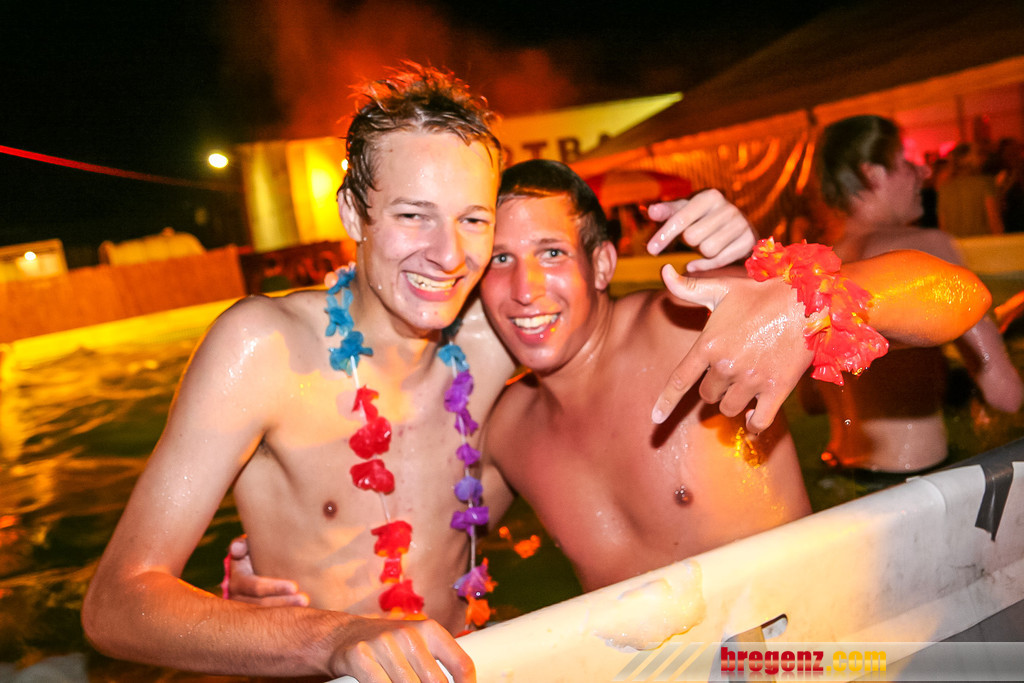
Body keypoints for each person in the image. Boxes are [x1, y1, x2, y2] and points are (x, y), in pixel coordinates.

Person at [82, 65, 805, 681]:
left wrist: (748, 259)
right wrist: (326, 637)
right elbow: (115, 603)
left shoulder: (500, 334)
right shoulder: (261, 348)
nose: (449, 254)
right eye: (413, 216)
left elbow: (616, 329)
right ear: (353, 215)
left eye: (472, 221)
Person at [230, 160, 992, 601]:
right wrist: (285, 566)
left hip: (805, 655)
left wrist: (802, 307)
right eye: (500, 260)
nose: (525, 289)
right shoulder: (507, 430)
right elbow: (420, 538)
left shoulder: (687, 324)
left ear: (599, 264)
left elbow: (957, 295)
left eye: (551, 254)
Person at [809, 115, 1022, 473]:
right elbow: (1005, 394)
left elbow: (811, 401)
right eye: (906, 163)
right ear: (871, 174)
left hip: (838, 470)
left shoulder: (813, 265)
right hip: (914, 473)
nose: (923, 173)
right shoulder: (924, 250)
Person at [937, 141, 1006, 237]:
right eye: (979, 154)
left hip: (955, 244)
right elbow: (994, 222)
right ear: (972, 159)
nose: (983, 158)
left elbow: (943, 225)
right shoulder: (985, 183)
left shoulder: (944, 188)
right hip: (982, 243)